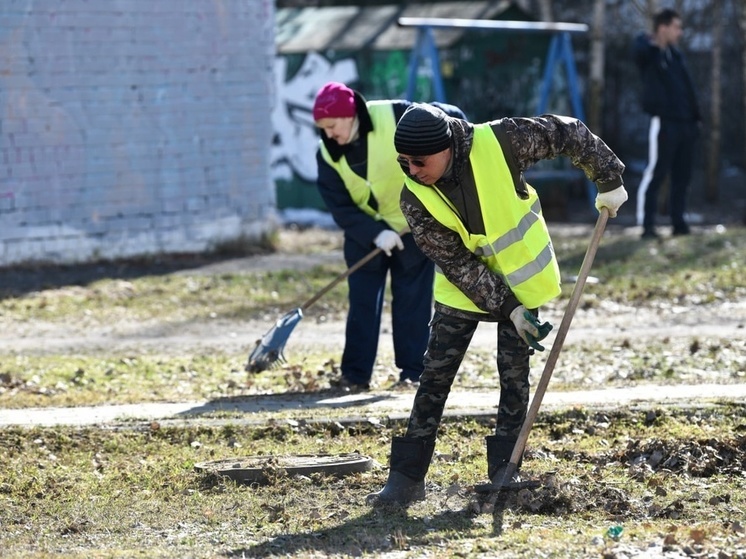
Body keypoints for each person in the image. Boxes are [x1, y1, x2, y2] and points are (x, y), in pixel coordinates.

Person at [366, 104, 627, 506]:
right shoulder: (414, 196)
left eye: (419, 161)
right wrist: (508, 308)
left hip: (522, 275)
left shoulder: (501, 141)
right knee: (434, 376)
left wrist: (607, 176)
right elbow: (455, 261)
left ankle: (506, 469)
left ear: (447, 147)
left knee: (513, 376)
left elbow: (566, 132)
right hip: (464, 288)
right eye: (404, 161)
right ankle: (406, 477)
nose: (412, 169)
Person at [312, 82, 465, 391]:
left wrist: (460, 132)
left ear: (349, 114)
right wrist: (374, 232)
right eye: (322, 128)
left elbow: (445, 118)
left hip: (412, 224)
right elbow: (339, 205)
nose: (329, 134)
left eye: (332, 125)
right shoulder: (326, 154)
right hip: (364, 231)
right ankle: (355, 376)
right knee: (363, 302)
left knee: (413, 300)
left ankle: (412, 373)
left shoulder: (395, 115)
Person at [634, 8, 701, 239]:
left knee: (682, 176)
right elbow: (640, 52)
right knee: (656, 173)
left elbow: (688, 89)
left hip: (686, 124)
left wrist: (695, 119)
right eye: (676, 27)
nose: (680, 32)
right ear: (663, 28)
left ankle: (678, 223)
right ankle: (648, 225)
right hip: (663, 123)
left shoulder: (676, 56)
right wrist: (651, 41)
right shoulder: (648, 52)